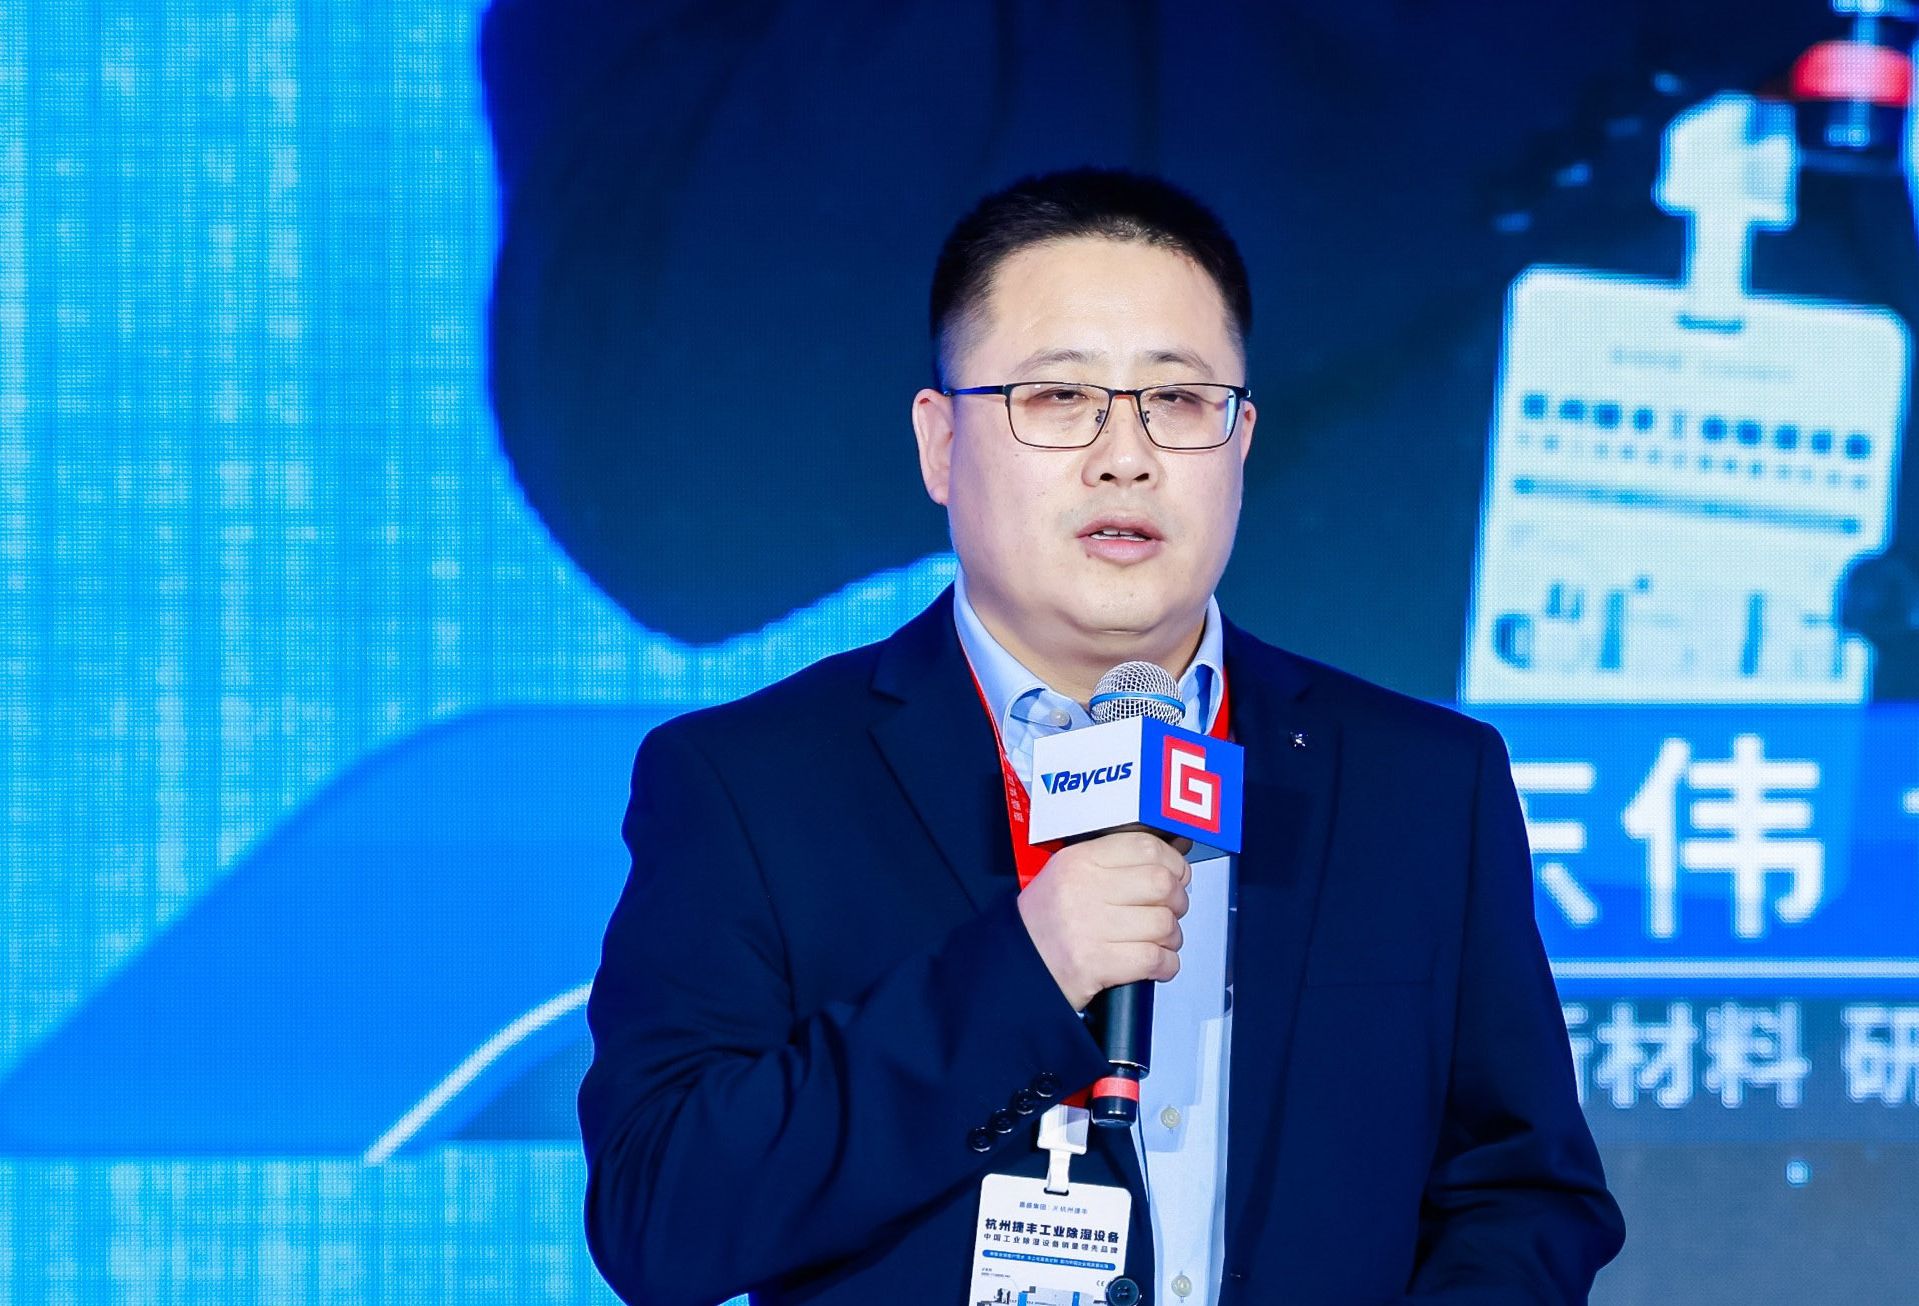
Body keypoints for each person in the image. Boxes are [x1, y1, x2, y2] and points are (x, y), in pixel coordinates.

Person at [578, 169, 1622, 1306]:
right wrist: (1024, 974)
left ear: (1241, 440)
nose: (1125, 455)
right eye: (1058, 397)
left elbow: (1520, 1192)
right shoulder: (751, 783)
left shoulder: (1420, 783)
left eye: (1177, 400)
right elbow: (660, 1217)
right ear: (940, 444)